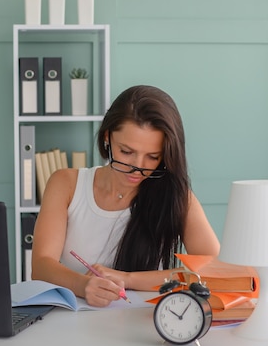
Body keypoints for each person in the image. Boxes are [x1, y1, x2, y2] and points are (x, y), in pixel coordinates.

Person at [30, 85, 220, 307]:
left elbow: (213, 269)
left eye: (152, 156)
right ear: (107, 137)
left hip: (145, 326)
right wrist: (83, 285)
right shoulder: (66, 184)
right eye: (127, 152)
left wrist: (127, 279)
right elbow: (41, 265)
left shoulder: (176, 197)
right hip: (72, 325)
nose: (137, 168)